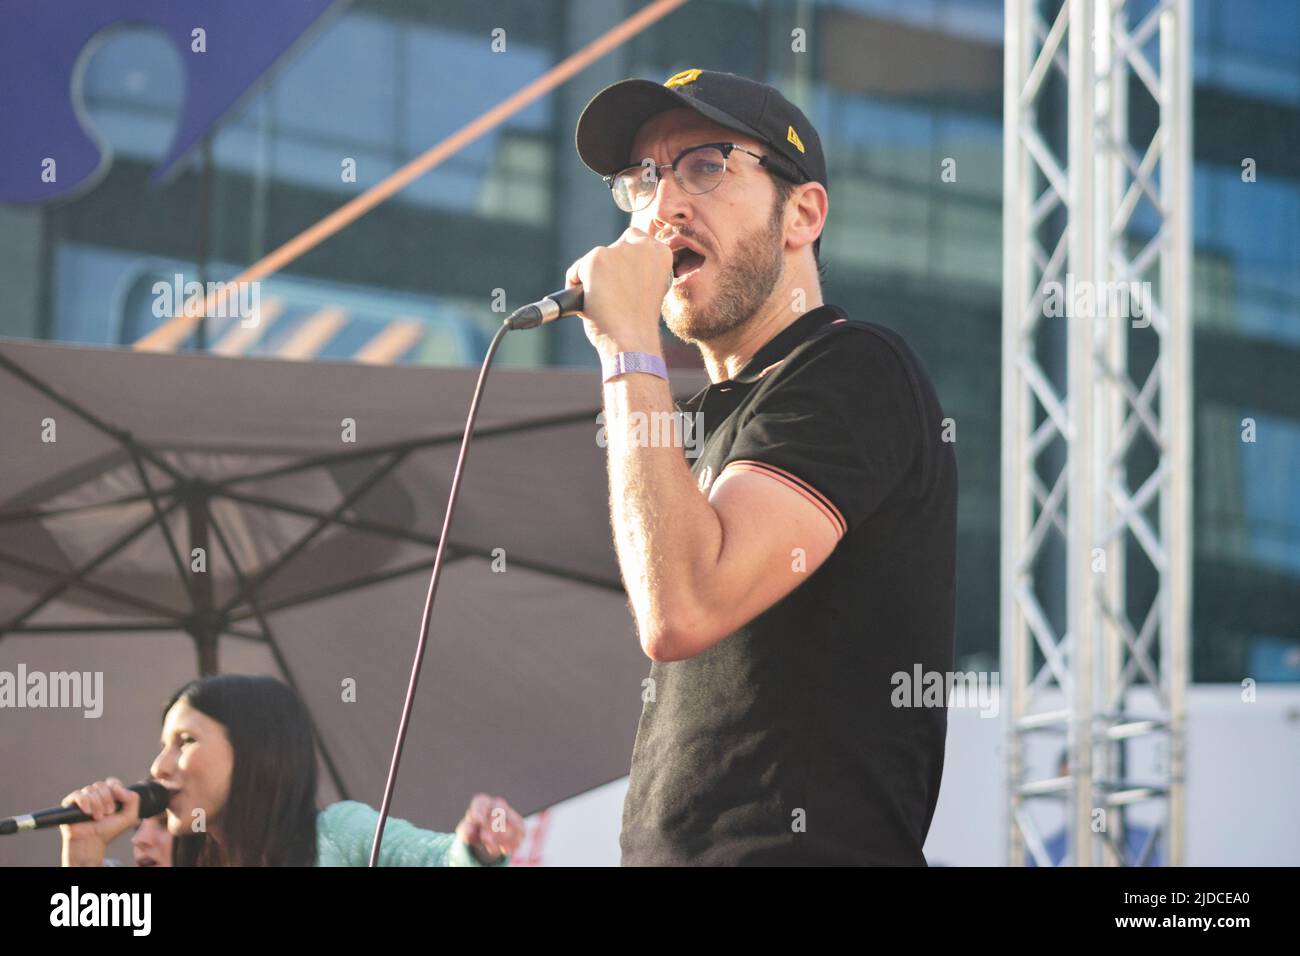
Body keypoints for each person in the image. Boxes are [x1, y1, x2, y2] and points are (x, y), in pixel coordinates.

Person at [569, 69, 958, 864]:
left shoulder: (856, 368)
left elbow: (682, 607)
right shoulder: (711, 425)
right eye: (641, 180)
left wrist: (626, 347)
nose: (661, 206)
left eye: (705, 166)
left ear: (803, 213)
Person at [60, 674, 525, 867]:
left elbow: (436, 860)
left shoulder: (338, 835)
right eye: (163, 746)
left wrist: (476, 847)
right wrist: (83, 853)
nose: (158, 767)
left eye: (185, 741)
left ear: (254, 752)